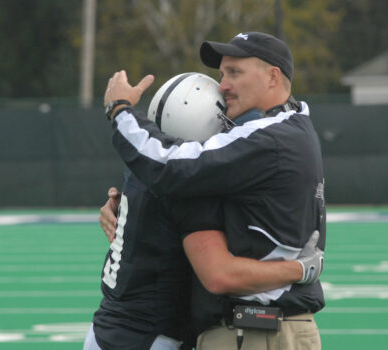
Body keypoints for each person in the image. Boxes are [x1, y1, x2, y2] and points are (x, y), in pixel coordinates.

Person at [101, 31, 326, 349]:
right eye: (222, 74)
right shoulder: (292, 129)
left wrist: (119, 110)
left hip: (256, 332)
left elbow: (169, 165)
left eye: (235, 72)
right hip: (267, 329)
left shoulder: (269, 138)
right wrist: (128, 210)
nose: (222, 85)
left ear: (272, 76)